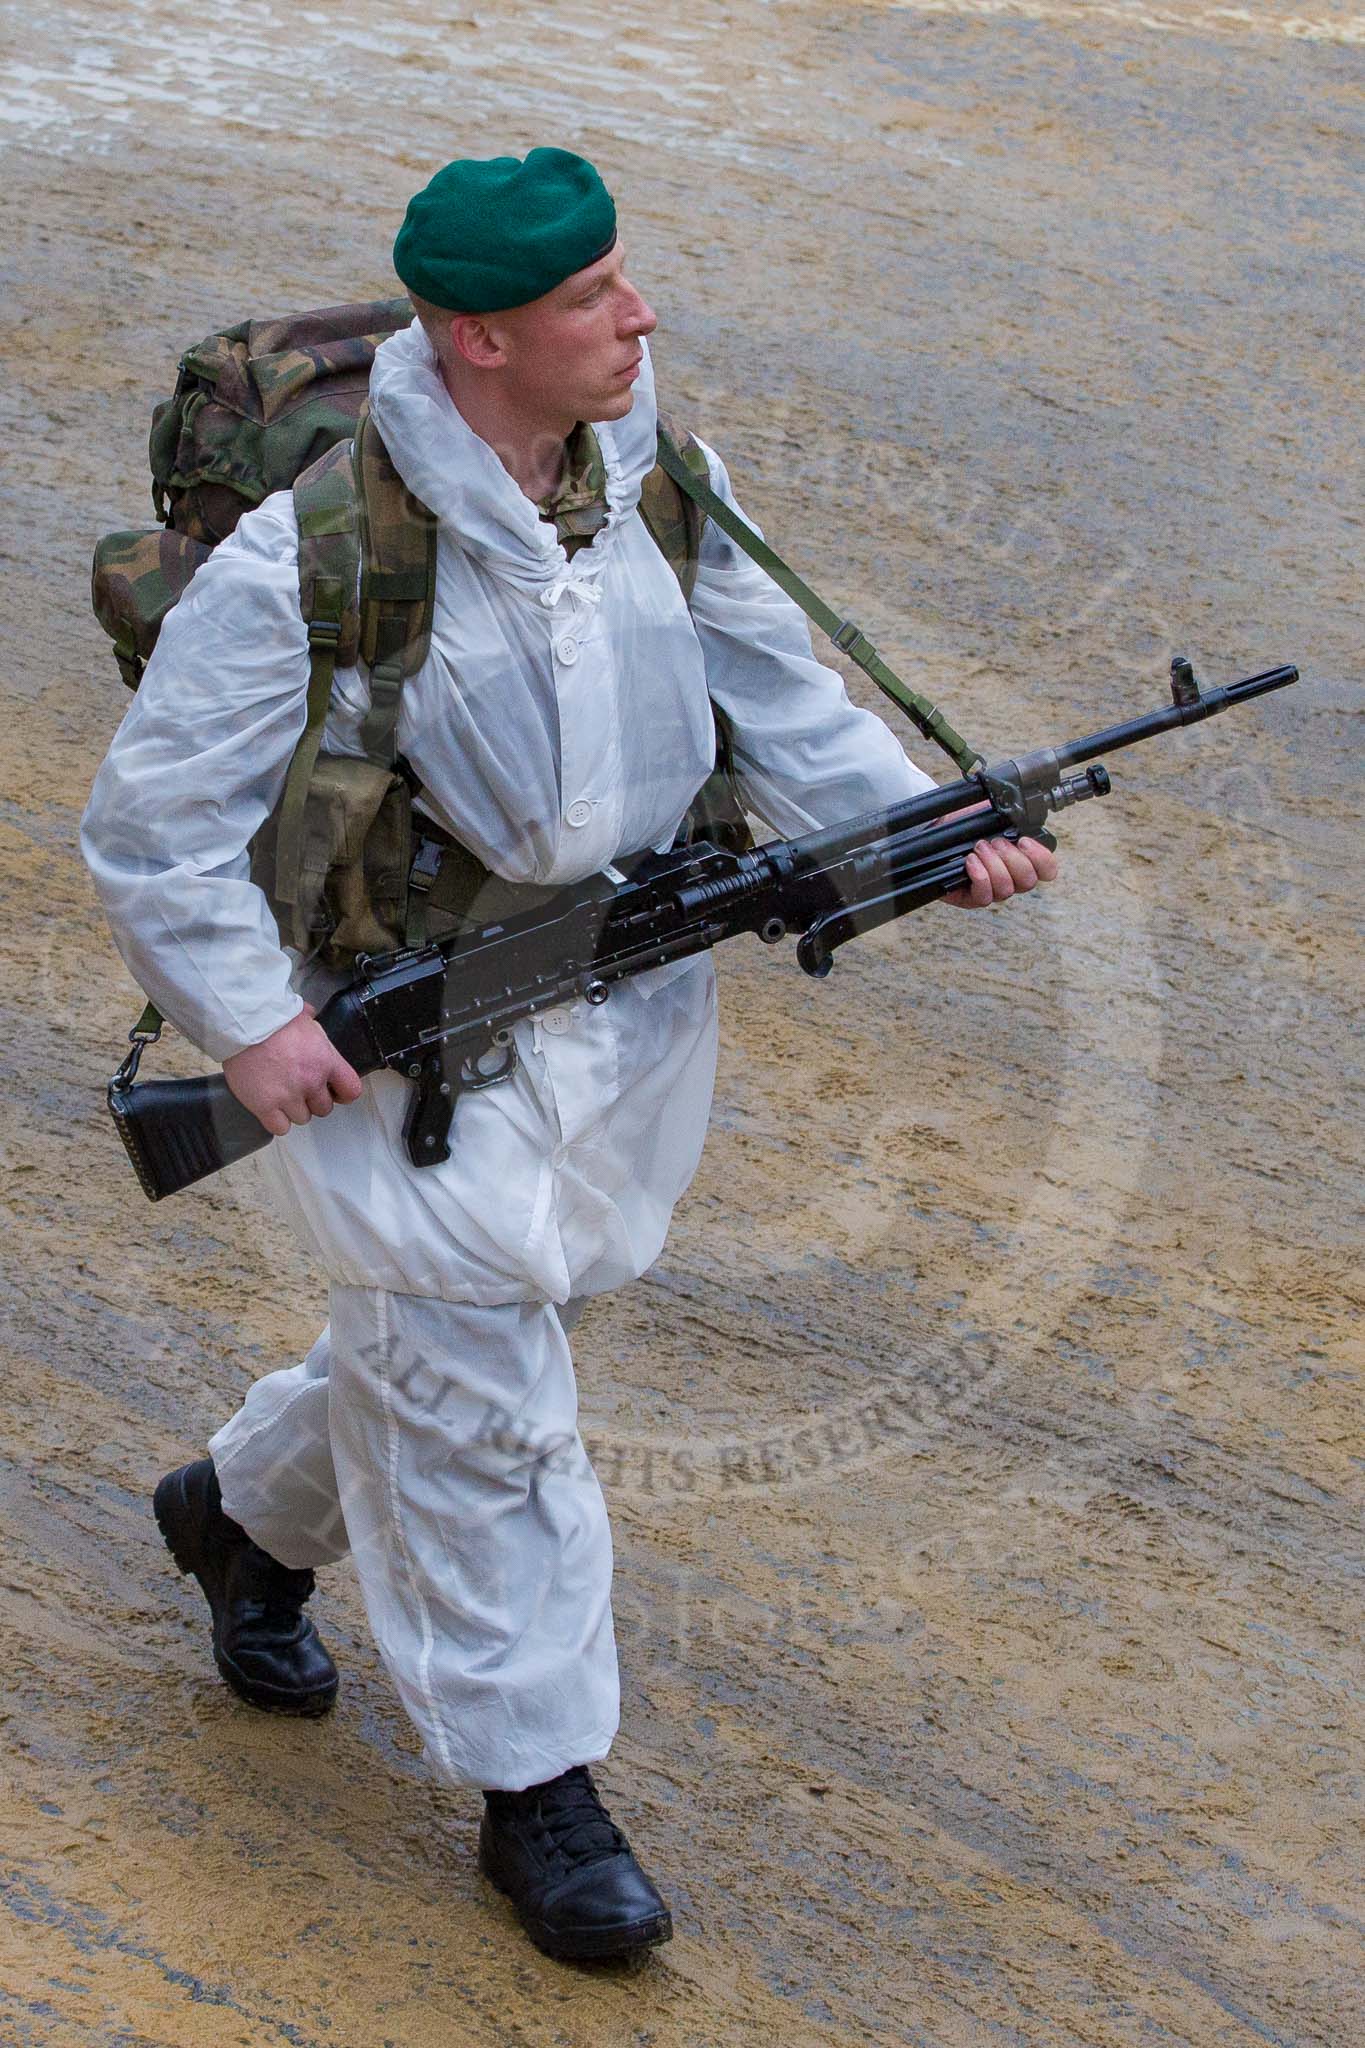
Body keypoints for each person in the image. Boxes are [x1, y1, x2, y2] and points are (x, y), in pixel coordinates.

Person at [81, 147, 1057, 1962]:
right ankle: (538, 1786)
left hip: (616, 998)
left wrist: (931, 838)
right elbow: (153, 830)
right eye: (590, 298)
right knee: (482, 1408)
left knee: (482, 1326)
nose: (638, 315)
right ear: (478, 339)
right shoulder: (322, 552)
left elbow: (783, 702)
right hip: (396, 1020)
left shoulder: (657, 482)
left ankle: (243, 1514)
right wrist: (256, 1025)